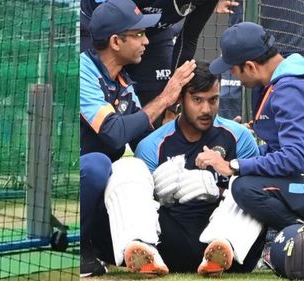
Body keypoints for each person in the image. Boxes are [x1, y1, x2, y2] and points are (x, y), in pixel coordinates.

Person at [79, 0, 196, 276]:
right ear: (116, 41)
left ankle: (132, 246)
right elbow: (114, 132)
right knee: (97, 163)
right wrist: (166, 97)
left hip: (97, 197)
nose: (147, 40)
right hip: (75, 182)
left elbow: (147, 143)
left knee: (135, 168)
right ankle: (80, 247)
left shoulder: (122, 83)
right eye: (138, 34)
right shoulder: (83, 70)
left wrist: (197, 137)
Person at [113, 61, 262, 276]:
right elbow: (140, 204)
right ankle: (142, 247)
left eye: (213, 100)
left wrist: (218, 192)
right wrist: (158, 194)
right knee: (126, 168)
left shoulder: (240, 137)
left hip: (233, 246)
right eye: (197, 100)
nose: (206, 109)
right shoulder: (152, 145)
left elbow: (257, 194)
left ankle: (222, 248)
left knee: (251, 183)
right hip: (171, 244)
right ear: (181, 99)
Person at [195, 21, 304, 271]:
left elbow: (296, 157)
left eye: (234, 70)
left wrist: (234, 165)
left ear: (250, 66)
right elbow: (279, 148)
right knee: (243, 181)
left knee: (245, 188)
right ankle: (227, 246)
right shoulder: (279, 81)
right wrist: (238, 161)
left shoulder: (290, 89)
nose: (234, 76)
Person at [81, 0, 238, 127]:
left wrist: (170, 107)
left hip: (153, 30)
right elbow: (112, 17)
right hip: (102, 27)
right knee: (99, 94)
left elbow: (188, 39)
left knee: (157, 116)